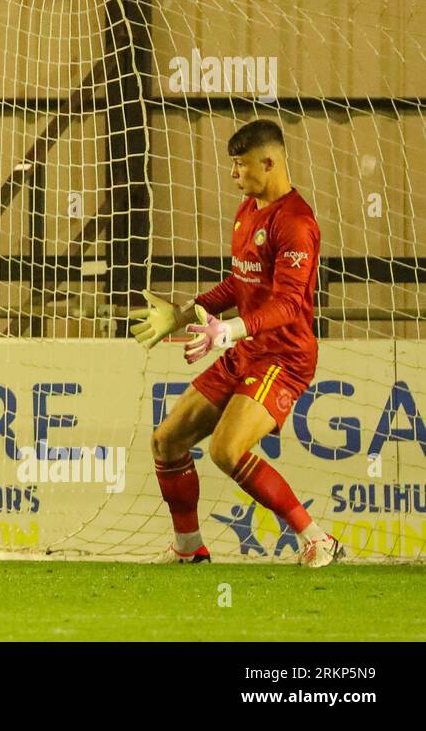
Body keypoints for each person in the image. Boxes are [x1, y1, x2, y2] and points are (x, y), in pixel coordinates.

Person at [131, 118, 343, 568]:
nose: (234, 174)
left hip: (283, 356)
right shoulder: (248, 211)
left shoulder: (297, 223)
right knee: (167, 442)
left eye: (240, 165)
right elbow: (240, 282)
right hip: (247, 349)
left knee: (226, 450)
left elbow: (287, 305)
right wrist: (182, 313)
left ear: (269, 162)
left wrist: (227, 331)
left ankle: (316, 538)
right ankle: (189, 547)